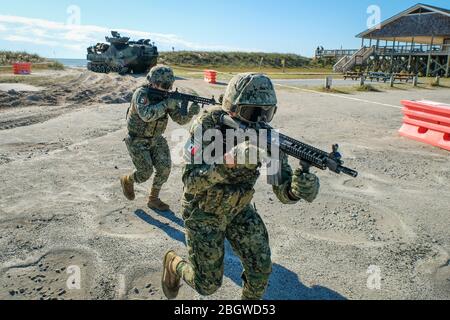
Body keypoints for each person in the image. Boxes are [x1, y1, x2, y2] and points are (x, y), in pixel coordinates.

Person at [161, 73, 321, 300]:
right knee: (207, 286)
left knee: (260, 272)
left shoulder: (267, 137)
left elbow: (281, 188)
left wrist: (296, 189)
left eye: (267, 113)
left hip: (239, 209)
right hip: (203, 211)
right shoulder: (208, 125)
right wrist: (230, 160)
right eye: (252, 112)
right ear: (231, 108)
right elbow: (191, 183)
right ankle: (174, 264)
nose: (259, 120)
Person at [120, 65, 201, 211]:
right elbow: (146, 115)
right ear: (152, 82)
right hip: (137, 140)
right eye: (163, 85)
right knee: (145, 173)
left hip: (157, 139)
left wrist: (190, 112)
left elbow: (180, 120)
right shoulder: (142, 93)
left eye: (169, 85)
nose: (166, 88)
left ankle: (153, 199)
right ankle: (128, 179)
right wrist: (165, 104)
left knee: (164, 169)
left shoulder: (166, 97)